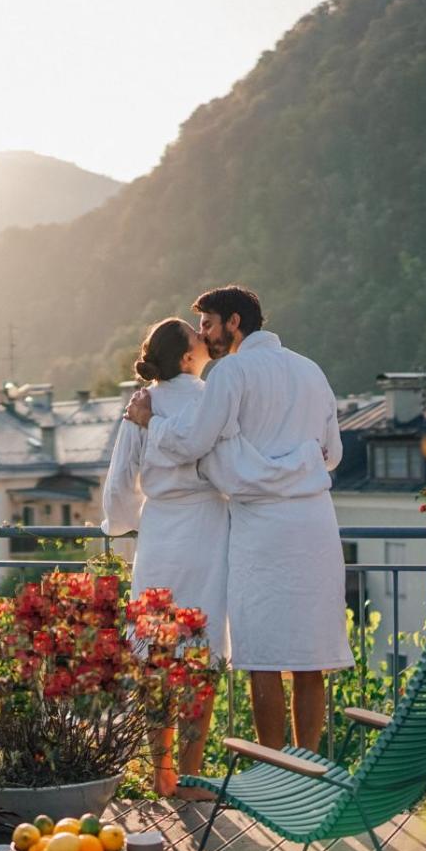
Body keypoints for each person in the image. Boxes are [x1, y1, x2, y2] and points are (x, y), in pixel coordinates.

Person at [124, 286, 351, 753]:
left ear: (233, 322)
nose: (205, 336)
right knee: (310, 657)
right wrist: (295, 464)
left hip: (261, 526)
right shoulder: (310, 369)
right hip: (314, 524)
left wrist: (152, 423)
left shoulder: (231, 373)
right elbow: (332, 454)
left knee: (263, 657)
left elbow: (192, 442)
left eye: (208, 324)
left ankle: (272, 767)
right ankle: (307, 769)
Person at [102, 318, 227, 798]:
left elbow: (121, 481)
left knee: (157, 656)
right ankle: (190, 777)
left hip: (157, 535)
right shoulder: (210, 399)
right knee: (199, 656)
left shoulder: (142, 405)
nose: (205, 337)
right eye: (198, 336)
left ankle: (163, 775)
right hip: (206, 531)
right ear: (187, 357)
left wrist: (126, 522)